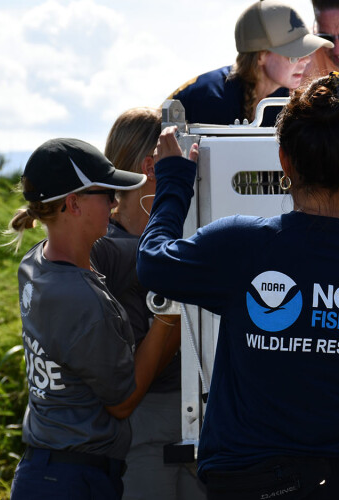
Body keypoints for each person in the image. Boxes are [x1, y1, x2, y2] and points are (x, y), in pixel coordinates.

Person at [137, 72, 339, 499]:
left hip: (255, 482)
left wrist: (174, 181)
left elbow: (152, 262)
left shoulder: (241, 245)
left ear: (284, 161)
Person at [8, 139, 181, 500]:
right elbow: (123, 401)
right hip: (73, 481)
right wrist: (170, 317)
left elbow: (138, 254)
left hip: (45, 471)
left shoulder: (36, 263)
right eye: (107, 194)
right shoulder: (83, 301)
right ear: (73, 204)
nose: (115, 204)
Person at [90, 108, 206, 500]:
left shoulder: (110, 241)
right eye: (180, 157)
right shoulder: (108, 251)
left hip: (191, 420)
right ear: (151, 166)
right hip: (144, 425)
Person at [168, 0, 332, 125]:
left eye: (306, 53)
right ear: (261, 56)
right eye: (294, 55)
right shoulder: (210, 99)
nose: (306, 60)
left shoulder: (281, 100)